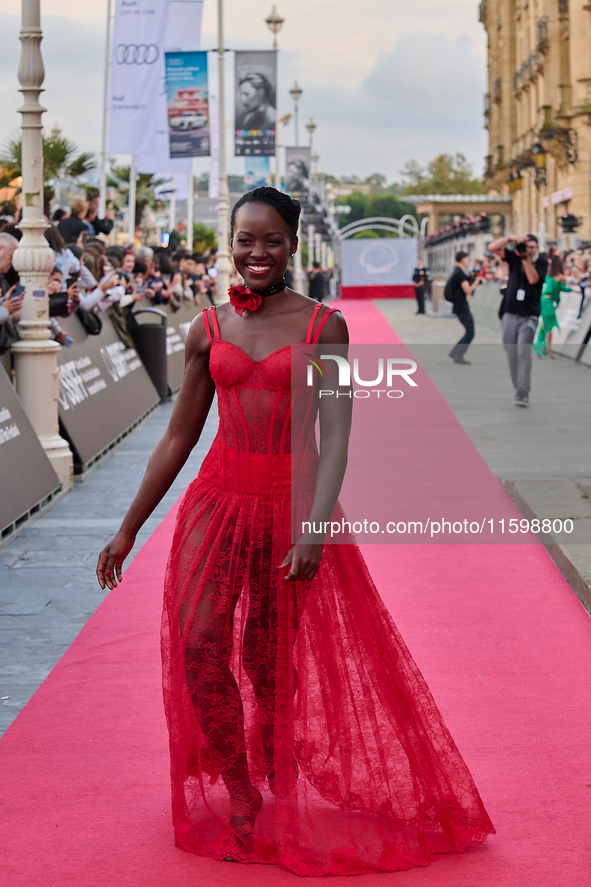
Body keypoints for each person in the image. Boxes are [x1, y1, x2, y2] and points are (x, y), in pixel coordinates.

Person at [96, 186, 494, 874]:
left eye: (271, 239)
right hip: (216, 503)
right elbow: (176, 438)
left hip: (292, 510)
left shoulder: (323, 327)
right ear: (232, 242)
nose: (257, 252)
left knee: (265, 656)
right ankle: (240, 786)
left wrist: (314, 527)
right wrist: (127, 527)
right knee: (199, 642)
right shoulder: (208, 328)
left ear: (292, 244)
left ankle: (277, 770)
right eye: (245, 239)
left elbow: (336, 436)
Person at [489, 233, 547, 407]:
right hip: (510, 313)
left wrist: (525, 259)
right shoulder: (514, 257)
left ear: (536, 248)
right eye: (526, 247)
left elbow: (533, 279)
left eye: (532, 248)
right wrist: (510, 238)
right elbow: (492, 248)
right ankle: (518, 386)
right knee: (511, 352)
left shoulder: (541, 262)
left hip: (529, 316)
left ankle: (523, 391)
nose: (528, 250)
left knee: (523, 352)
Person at [532, 255, 571, 358]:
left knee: (545, 325)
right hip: (548, 303)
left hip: (544, 302)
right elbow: (563, 290)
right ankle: (547, 349)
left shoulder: (548, 277)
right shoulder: (555, 278)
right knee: (548, 326)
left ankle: (540, 348)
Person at [447, 251, 481, 364]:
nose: (468, 261)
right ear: (462, 259)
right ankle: (458, 355)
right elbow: (468, 290)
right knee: (470, 331)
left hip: (459, 305)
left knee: (469, 331)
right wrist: (476, 282)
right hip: (461, 306)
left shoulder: (457, 272)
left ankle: (455, 352)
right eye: (467, 258)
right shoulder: (459, 274)